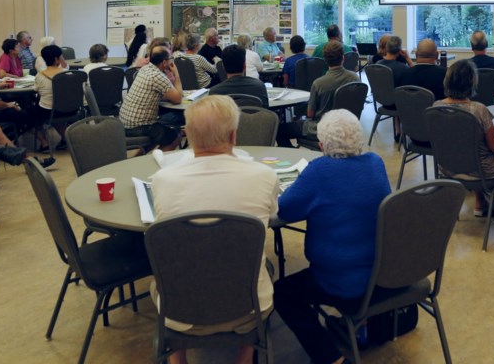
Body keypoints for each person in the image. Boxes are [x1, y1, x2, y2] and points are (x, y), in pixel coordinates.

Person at [150, 95, 278, 364]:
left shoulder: (162, 181)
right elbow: (272, 216)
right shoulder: (264, 176)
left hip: (179, 313)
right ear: (234, 136)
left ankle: (177, 358)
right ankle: (245, 355)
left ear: (187, 135)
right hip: (248, 308)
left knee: (158, 279)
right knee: (265, 265)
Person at [274, 109, 391, 364]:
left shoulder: (318, 171)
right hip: (379, 274)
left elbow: (283, 209)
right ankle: (365, 323)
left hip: (338, 281)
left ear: (321, 145)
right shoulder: (375, 163)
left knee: (281, 293)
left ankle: (332, 359)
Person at [433, 59, 494, 224]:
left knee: (473, 151)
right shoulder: (478, 110)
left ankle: (480, 203)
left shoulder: (436, 107)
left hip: (448, 169)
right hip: (480, 171)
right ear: (472, 83)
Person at [277, 41, 358, 147]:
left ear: (325, 60)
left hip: (321, 128)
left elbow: (310, 114)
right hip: (348, 126)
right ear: (343, 58)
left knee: (279, 130)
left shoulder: (319, 83)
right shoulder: (355, 78)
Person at [119, 47, 184, 151]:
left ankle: (139, 159)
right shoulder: (158, 76)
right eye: (170, 58)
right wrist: (176, 75)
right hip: (139, 126)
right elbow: (178, 99)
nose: (172, 61)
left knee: (159, 134)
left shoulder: (145, 69)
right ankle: (158, 164)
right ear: (164, 62)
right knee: (176, 136)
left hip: (124, 122)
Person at [33, 45, 77, 150]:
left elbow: (37, 91)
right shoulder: (67, 74)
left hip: (50, 112)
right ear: (57, 59)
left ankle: (44, 143)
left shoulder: (40, 76)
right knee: (56, 110)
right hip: (72, 109)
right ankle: (67, 139)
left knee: (31, 114)